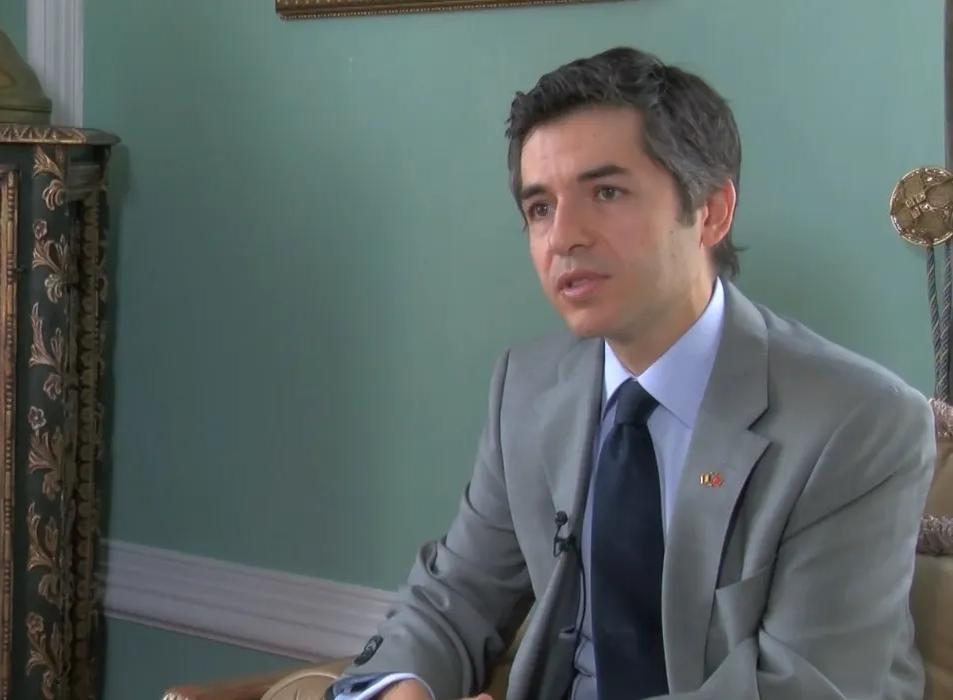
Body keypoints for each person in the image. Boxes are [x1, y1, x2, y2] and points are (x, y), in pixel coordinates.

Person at [324, 47, 936, 700]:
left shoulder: (859, 423)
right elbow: (455, 596)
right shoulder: (527, 386)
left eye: (606, 193)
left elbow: (804, 688)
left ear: (711, 211)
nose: (563, 237)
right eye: (540, 208)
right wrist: (403, 690)